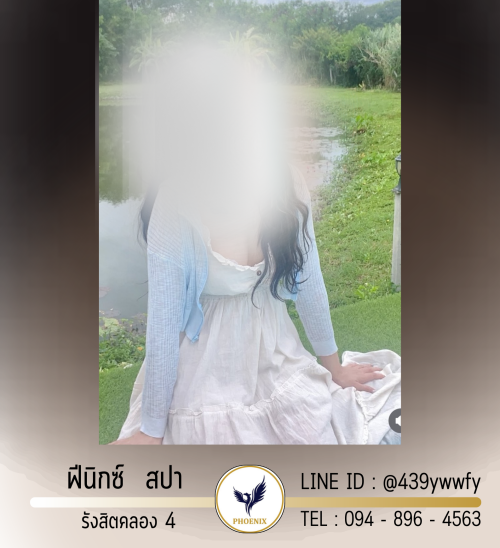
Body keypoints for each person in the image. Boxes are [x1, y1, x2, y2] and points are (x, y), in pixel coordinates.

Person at [110, 47, 401, 445]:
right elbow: (163, 325)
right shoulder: (176, 202)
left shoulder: (286, 182)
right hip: (204, 365)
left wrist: (333, 368)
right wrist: (151, 431)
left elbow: (310, 283)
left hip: (275, 352)